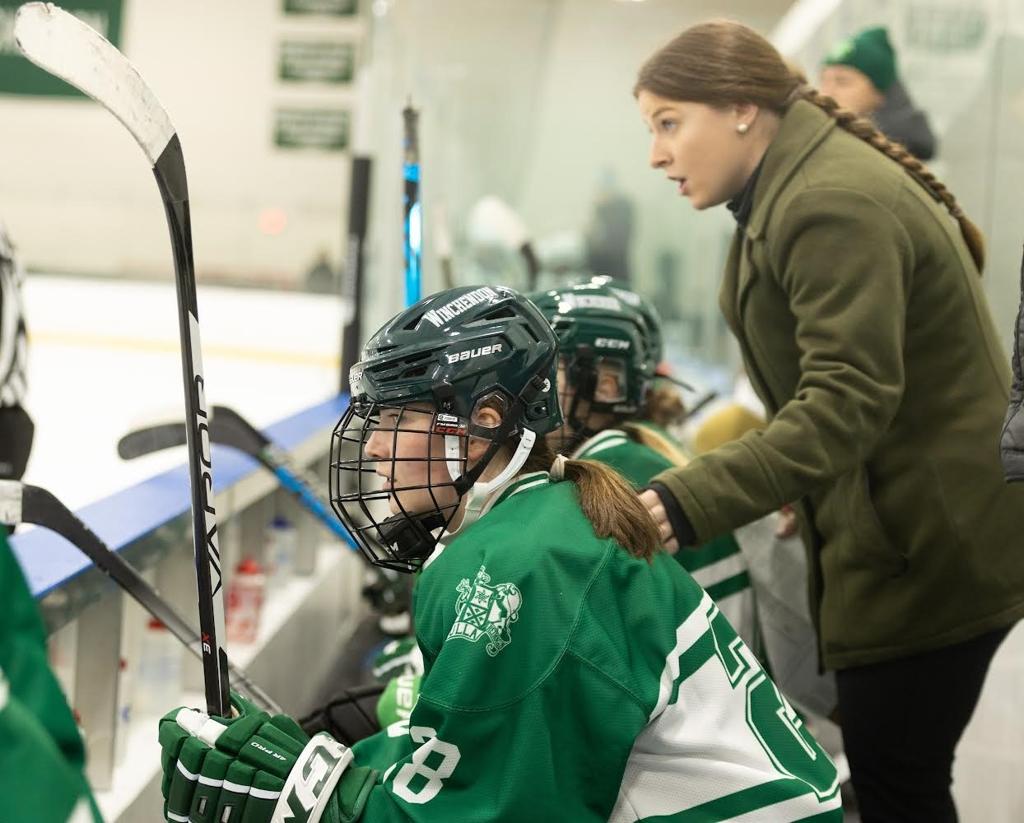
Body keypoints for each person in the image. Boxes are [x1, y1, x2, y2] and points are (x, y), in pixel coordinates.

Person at [158, 285, 841, 822]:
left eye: (394, 419)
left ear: (483, 420)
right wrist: (349, 762)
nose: (369, 447)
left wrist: (314, 798)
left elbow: (497, 811)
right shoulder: (537, 516)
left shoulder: (529, 564)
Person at [634, 20, 1024, 822]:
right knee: (894, 772)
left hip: (933, 541)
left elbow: (847, 398)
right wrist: (795, 474)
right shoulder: (791, 186)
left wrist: (685, 499)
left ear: (742, 107)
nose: (657, 154)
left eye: (669, 123)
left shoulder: (827, 200)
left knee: (898, 781)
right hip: (908, 523)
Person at [530, 279, 757, 643]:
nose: (529, 393)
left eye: (543, 373)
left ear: (607, 384)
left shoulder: (617, 466)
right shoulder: (646, 445)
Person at [819, 25, 937, 160]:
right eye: (823, 81)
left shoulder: (892, 155)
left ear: (878, 93)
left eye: (843, 82)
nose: (827, 93)